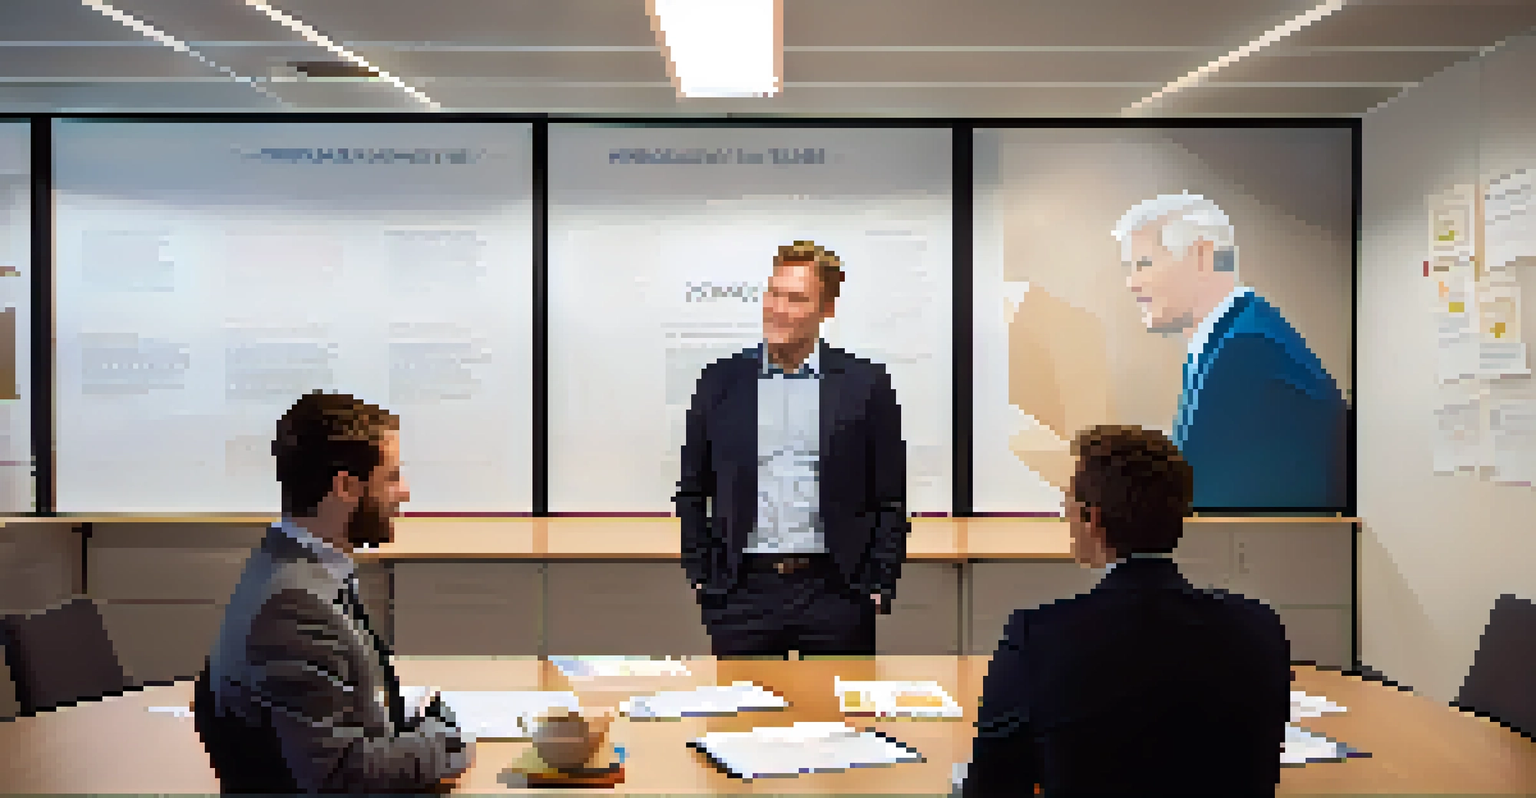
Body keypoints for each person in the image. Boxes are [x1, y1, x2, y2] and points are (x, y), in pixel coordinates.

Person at [963, 425, 1291, 797]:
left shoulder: (1039, 637)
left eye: (1068, 503)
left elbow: (991, 785)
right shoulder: (1259, 627)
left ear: (1093, 520)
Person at [194, 391, 471, 793]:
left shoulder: (293, 566)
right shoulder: (293, 605)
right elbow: (343, 776)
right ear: (345, 487)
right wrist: (445, 743)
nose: (405, 492)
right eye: (392, 477)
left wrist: (403, 720)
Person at [674, 240, 909, 657]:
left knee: (838, 721)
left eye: (796, 298)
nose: (778, 308)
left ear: (826, 309)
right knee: (744, 718)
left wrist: (877, 583)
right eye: (774, 294)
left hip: (835, 591)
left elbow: (889, 496)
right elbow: (693, 489)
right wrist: (703, 577)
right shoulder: (720, 381)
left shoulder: (865, 385)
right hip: (742, 592)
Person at [1112, 192, 1347, 509]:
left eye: (1144, 264)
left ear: (1202, 257)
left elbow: (1198, 488)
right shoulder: (1235, 334)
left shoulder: (1245, 349)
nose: (1132, 283)